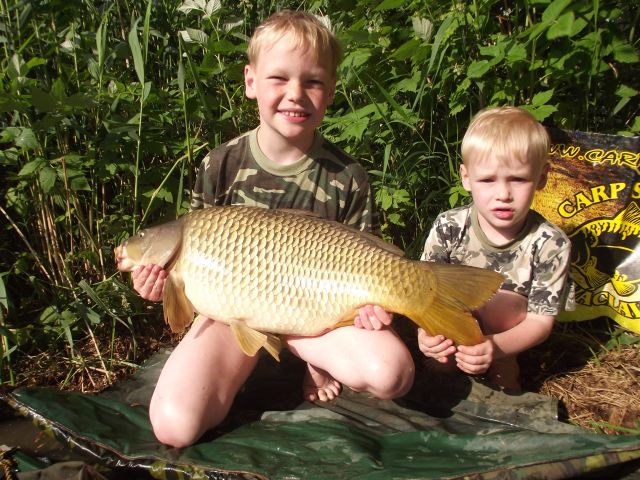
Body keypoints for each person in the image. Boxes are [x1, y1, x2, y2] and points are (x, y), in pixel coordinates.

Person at [124, 10, 415, 448]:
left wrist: (372, 309)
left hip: (317, 315)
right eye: (278, 78)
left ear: (330, 92)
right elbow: (184, 306)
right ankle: (255, 362)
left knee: (391, 373)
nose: (295, 94)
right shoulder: (220, 164)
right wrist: (161, 287)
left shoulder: (347, 175)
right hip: (230, 317)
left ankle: (308, 360)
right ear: (251, 82)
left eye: (313, 82)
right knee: (173, 427)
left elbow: (365, 259)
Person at [417, 106, 574, 391]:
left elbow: (540, 322)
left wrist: (495, 348)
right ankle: (443, 360)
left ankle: (504, 364)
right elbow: (421, 291)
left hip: (506, 328)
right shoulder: (449, 225)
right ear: (466, 178)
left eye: (518, 179)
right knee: (438, 367)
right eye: (488, 180)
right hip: (450, 318)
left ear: (541, 178)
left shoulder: (551, 242)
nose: (503, 194)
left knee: (505, 305)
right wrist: (424, 335)